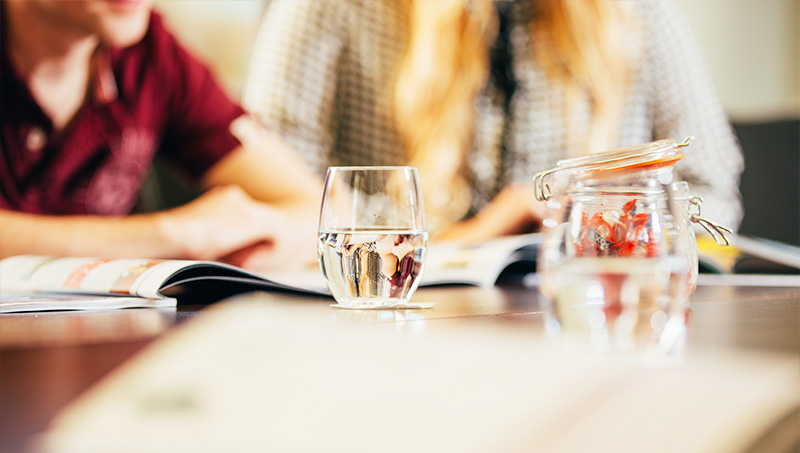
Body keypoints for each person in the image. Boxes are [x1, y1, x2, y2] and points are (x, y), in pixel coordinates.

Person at [243, 0, 743, 242]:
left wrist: (603, 222)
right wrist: (472, 233)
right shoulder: (331, 9)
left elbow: (714, 194)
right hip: (393, 324)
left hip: (581, 316)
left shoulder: (638, 15)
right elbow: (266, 200)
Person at [0, 0, 323, 271]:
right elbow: (182, 237)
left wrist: (238, 238)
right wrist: (169, 235)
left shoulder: (153, 57)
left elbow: (322, 210)